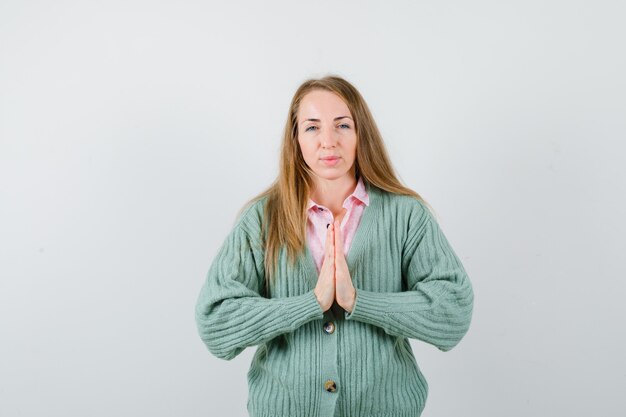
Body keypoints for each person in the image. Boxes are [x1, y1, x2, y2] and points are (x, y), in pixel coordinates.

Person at [194, 75, 474, 417]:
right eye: (312, 127)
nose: (328, 141)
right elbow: (215, 322)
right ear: (295, 139)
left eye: (342, 125)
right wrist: (310, 304)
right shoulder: (262, 218)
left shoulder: (406, 214)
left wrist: (360, 301)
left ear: (361, 135)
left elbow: (454, 311)